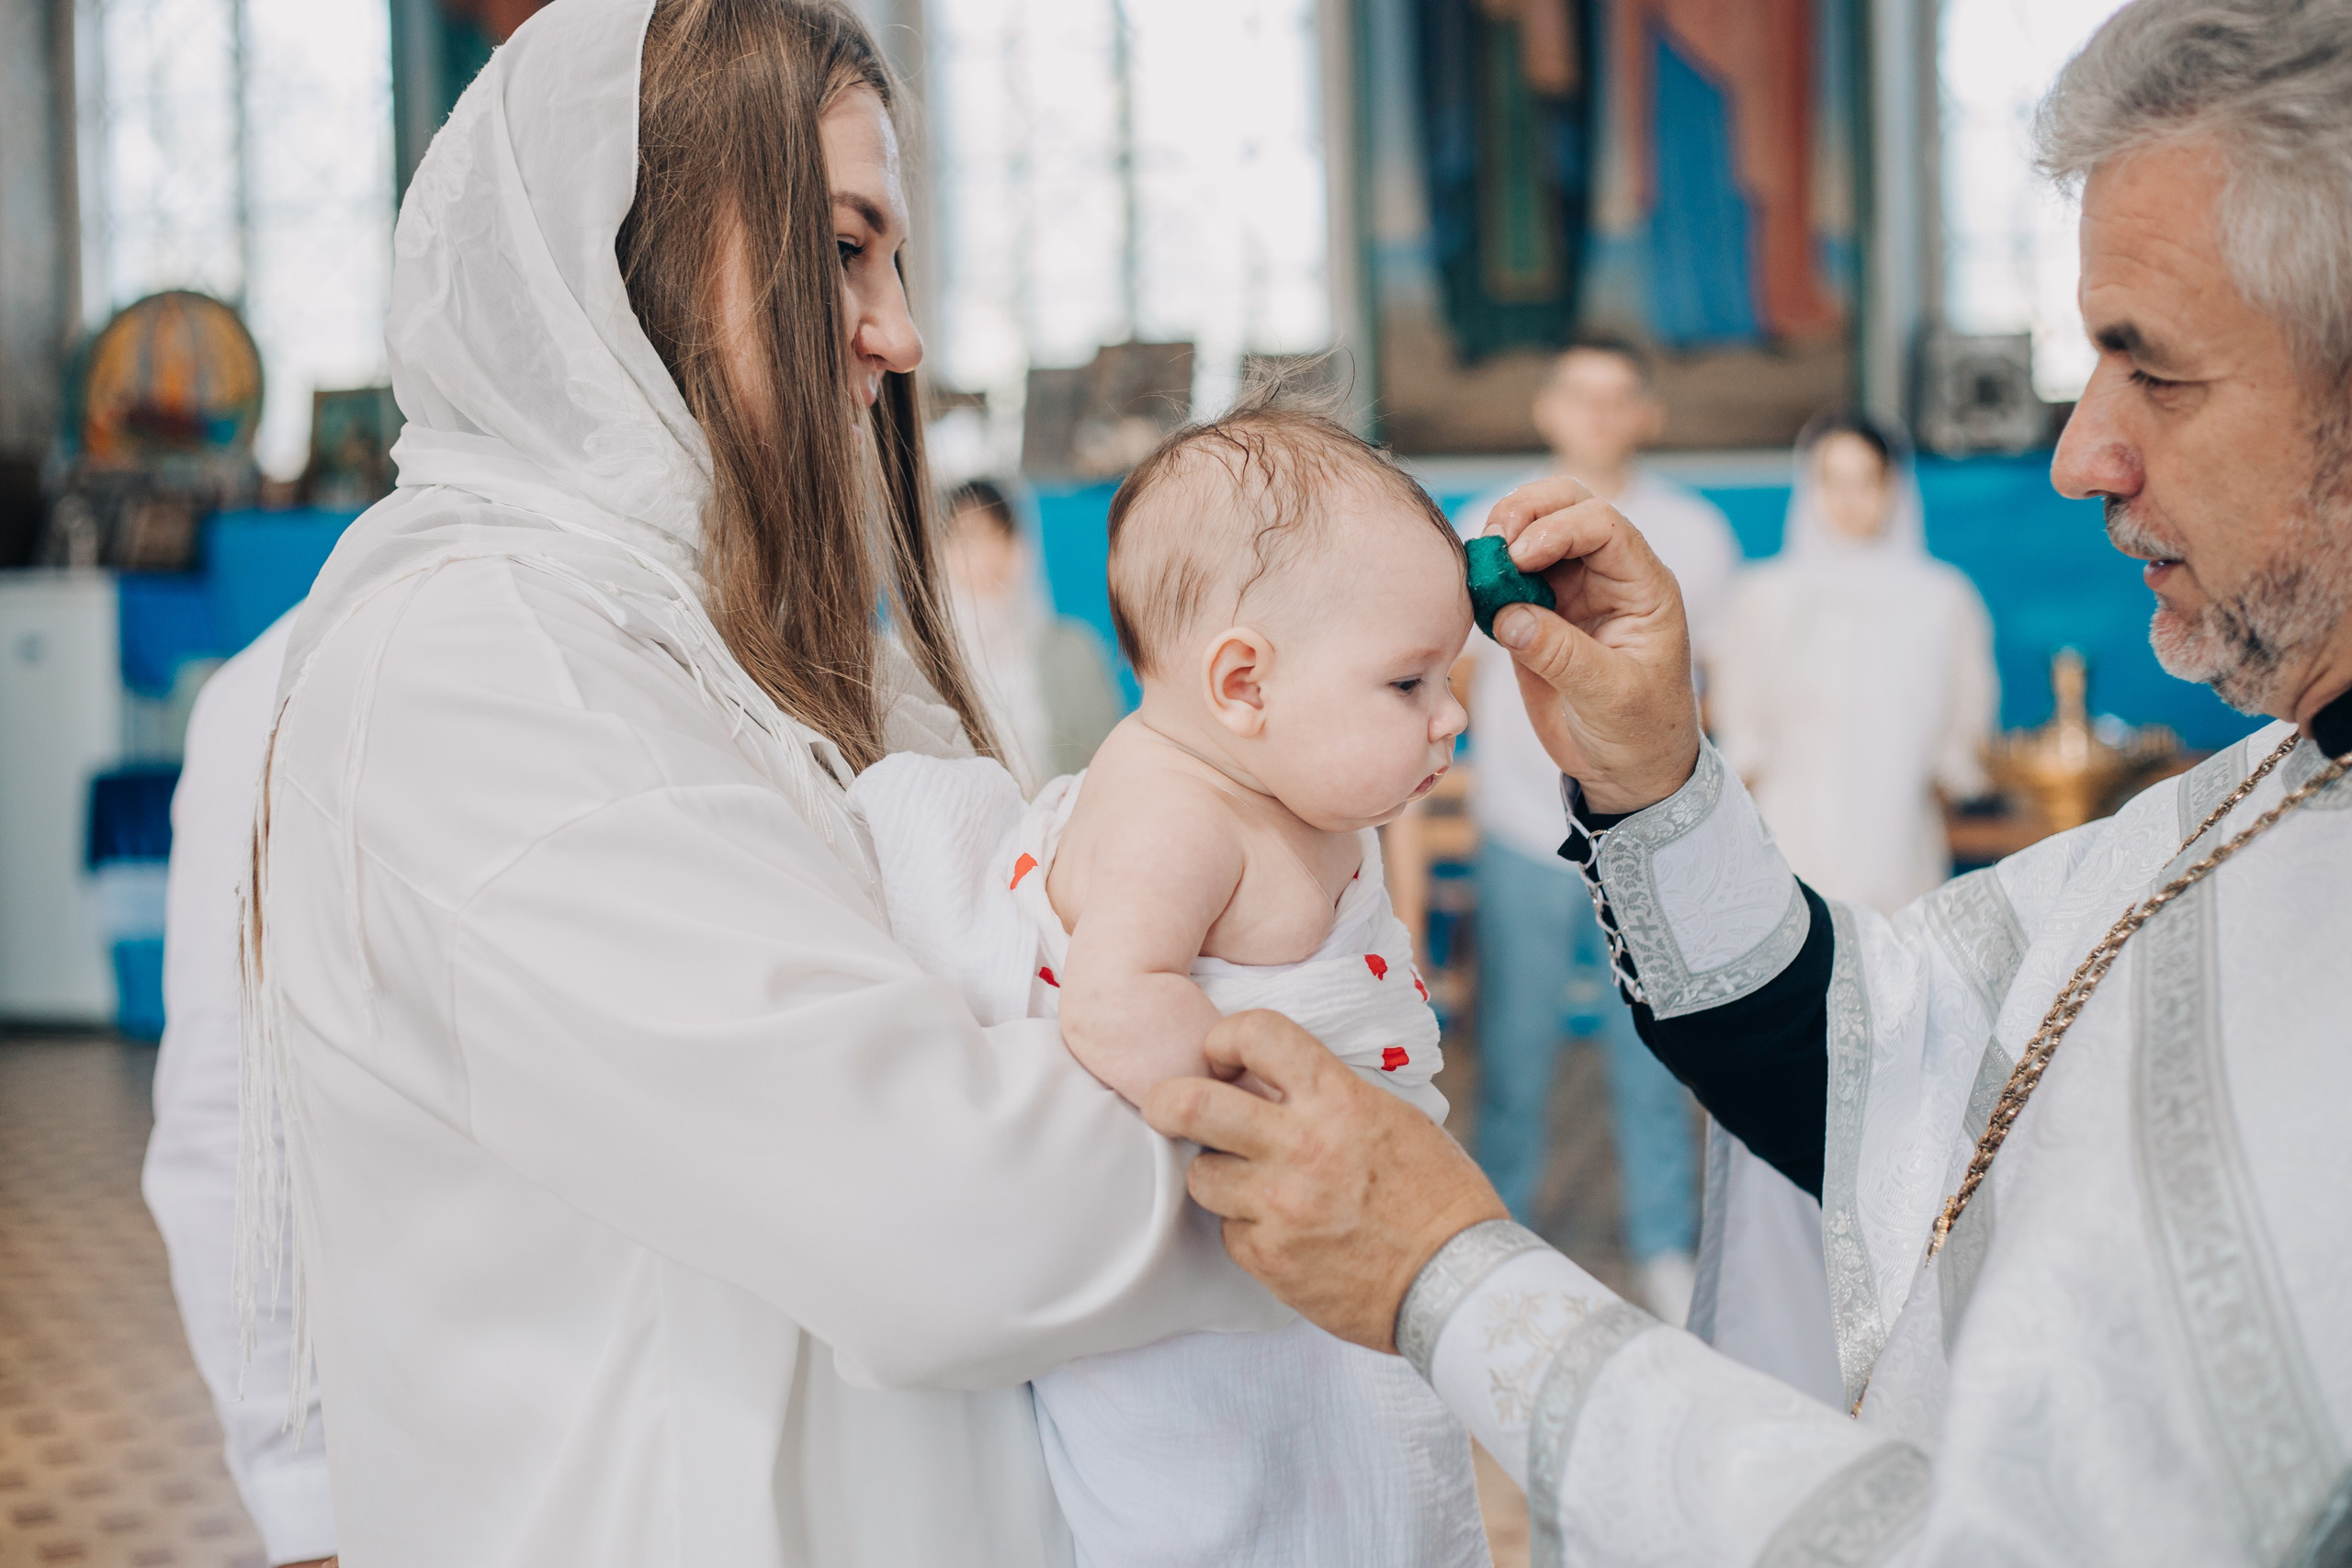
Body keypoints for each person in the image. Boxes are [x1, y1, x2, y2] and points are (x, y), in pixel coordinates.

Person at [1144, 1, 2352, 1560]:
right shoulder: (2244, 805)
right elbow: (1859, 1070)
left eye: (2156, 373)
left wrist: (1451, 1277)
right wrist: (1652, 780)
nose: (2079, 456)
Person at [243, 4, 1287, 1563]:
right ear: (631, 260)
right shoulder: (482, 663)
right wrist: (1320, 1114)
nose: (902, 332)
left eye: (896, 261)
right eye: (844, 251)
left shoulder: (788, 643)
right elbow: (942, 1217)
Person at [845, 396, 1486, 1565]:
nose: (1450, 720)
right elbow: (1110, 1005)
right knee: (1250, 1501)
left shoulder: (1278, 782)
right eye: (1408, 685)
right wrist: (1297, 1128)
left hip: (1322, 1276)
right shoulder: (1173, 817)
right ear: (1241, 684)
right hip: (1211, 1321)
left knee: (1367, 1479)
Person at [1442, 338, 1739, 1323]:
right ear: (1547, 407)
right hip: (1521, 829)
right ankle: (1502, 1251)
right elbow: (1448, 680)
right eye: (1581, 394)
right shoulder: (1479, 529)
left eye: (1621, 398)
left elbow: (1717, 687)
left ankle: (1663, 1250)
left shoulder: (1693, 533)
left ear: (1645, 414)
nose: (1600, 414)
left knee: (1656, 1053)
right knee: (1512, 1050)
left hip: (1646, 836)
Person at [143, 608, 336, 1568]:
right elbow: (227, 1129)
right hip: (453, 1460)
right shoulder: (288, 683)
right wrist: (306, 1505)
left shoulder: (822, 646)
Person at [1710, 412, 1998, 913]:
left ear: (1895, 488)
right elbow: (1741, 722)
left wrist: (1947, 778)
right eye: (1832, 481)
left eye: (1866, 482)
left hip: (1899, 836)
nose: (1849, 501)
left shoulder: (1942, 597)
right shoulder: (1762, 595)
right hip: (1786, 832)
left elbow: (1967, 718)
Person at [940, 478, 1123, 792]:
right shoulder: (921, 663)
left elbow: (1110, 762)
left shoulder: (1074, 649)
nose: (983, 557)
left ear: (1022, 545)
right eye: (966, 540)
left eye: (997, 535)